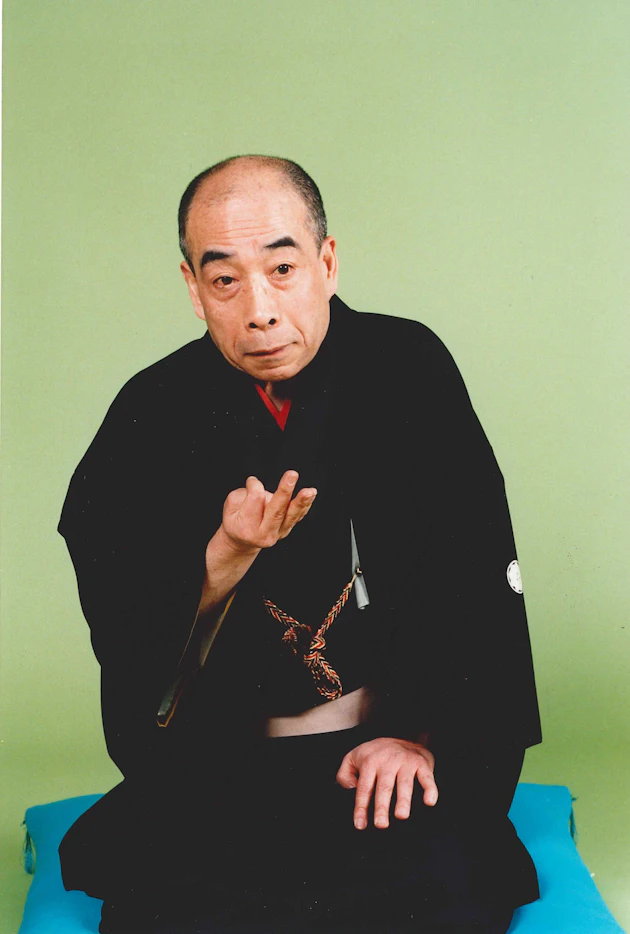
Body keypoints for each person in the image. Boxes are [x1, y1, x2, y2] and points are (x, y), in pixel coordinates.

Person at [58, 155, 542, 934]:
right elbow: (126, 618)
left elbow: (472, 575)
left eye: (282, 269)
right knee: (178, 904)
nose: (260, 311)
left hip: (378, 748)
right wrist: (224, 555)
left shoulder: (408, 367)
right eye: (225, 280)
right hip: (225, 762)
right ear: (192, 287)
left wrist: (418, 737)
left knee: (437, 885)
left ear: (327, 262)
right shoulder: (151, 411)